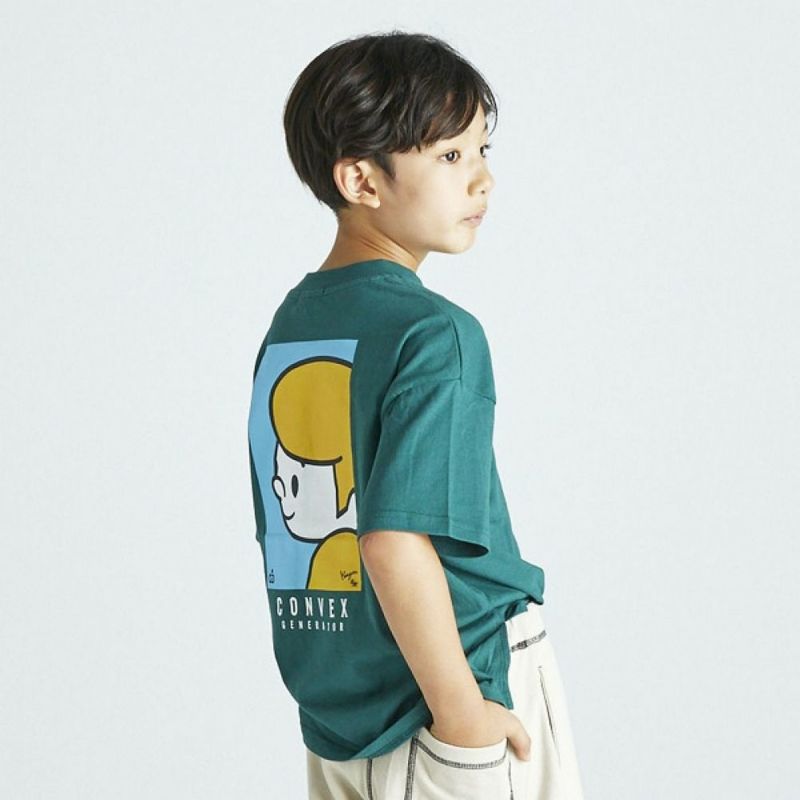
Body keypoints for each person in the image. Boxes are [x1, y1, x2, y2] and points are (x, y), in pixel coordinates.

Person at [247, 29, 585, 799]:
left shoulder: (293, 328)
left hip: (340, 714)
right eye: (451, 155)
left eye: (482, 149)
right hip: (451, 692)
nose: (483, 179)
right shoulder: (436, 335)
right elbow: (392, 542)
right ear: (361, 180)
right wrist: (464, 712)